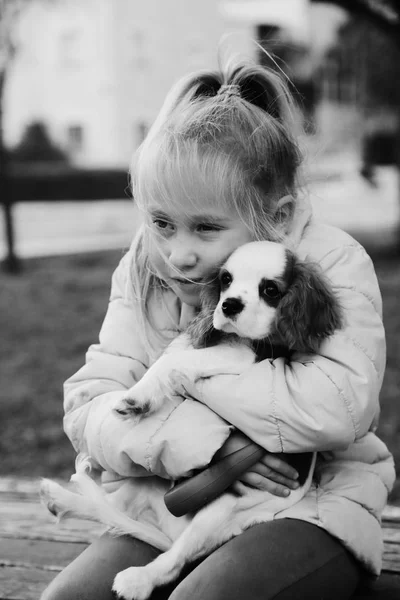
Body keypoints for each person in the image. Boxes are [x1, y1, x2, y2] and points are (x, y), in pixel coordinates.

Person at [41, 59, 395, 600]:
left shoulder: (330, 262)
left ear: (273, 218)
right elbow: (91, 409)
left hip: (312, 506)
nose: (178, 254)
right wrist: (212, 447)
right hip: (172, 507)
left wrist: (179, 377)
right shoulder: (145, 269)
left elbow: (338, 407)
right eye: (161, 223)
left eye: (206, 228)